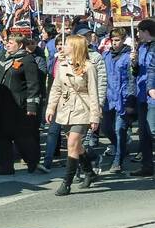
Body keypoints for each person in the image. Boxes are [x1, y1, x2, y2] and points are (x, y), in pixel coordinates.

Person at [45, 33, 102, 197]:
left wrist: (94, 117)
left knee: (72, 144)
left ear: (75, 47)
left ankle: (66, 183)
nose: (64, 46)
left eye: (68, 44)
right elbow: (56, 88)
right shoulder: (62, 65)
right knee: (77, 146)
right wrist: (50, 108)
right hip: (66, 108)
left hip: (82, 109)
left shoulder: (89, 67)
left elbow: (93, 93)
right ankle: (89, 172)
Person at [0, 32, 43, 175]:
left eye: (11, 42)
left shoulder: (27, 60)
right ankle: (4, 166)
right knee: (2, 136)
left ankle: (32, 161)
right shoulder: (2, 58)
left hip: (18, 105)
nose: (7, 44)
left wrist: (32, 105)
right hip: (0, 104)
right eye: (7, 42)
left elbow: (33, 84)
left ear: (20, 45)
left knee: (21, 136)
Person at [101, 26, 135, 174]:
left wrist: (129, 102)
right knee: (106, 128)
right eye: (112, 40)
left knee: (119, 129)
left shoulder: (129, 56)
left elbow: (132, 79)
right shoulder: (106, 55)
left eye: (117, 40)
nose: (114, 43)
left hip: (123, 97)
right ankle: (121, 147)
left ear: (123, 40)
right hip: (108, 97)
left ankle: (117, 160)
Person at [134, 19, 155, 178]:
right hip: (142, 94)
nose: (137, 34)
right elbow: (136, 72)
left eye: (139, 31)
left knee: (152, 130)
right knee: (144, 133)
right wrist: (133, 62)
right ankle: (147, 166)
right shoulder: (140, 47)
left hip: (153, 95)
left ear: (146, 31)